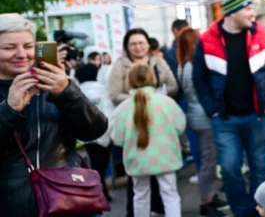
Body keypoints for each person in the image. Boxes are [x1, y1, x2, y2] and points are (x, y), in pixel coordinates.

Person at [0, 14, 108, 216]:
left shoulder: (54, 81)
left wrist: (67, 92)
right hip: (14, 206)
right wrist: (9, 110)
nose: (22, 54)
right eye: (9, 47)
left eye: (28, 46)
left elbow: (95, 130)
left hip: (68, 200)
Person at [193, 0, 265, 217]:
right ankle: (242, 212)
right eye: (248, 9)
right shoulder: (207, 39)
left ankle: (259, 211)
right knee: (229, 169)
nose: (252, 14)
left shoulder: (262, 35)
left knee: (260, 169)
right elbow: (199, 77)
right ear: (232, 12)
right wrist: (210, 108)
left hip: (258, 117)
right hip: (224, 119)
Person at [108, 28, 179, 215]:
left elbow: (117, 137)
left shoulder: (159, 62)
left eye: (141, 42)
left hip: (136, 152)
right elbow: (180, 125)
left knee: (141, 193)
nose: (138, 47)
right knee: (169, 192)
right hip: (163, 151)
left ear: (148, 44)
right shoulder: (119, 65)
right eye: (133, 43)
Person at [177, 27, 227, 217]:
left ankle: (211, 195)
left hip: (194, 114)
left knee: (209, 158)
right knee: (209, 160)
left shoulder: (183, 65)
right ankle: (206, 201)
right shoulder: (192, 66)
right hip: (203, 116)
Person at [76, 50, 114, 202]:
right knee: (103, 164)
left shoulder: (77, 91)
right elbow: (110, 112)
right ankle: (103, 191)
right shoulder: (104, 89)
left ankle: (98, 191)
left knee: (93, 165)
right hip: (105, 133)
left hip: (88, 136)